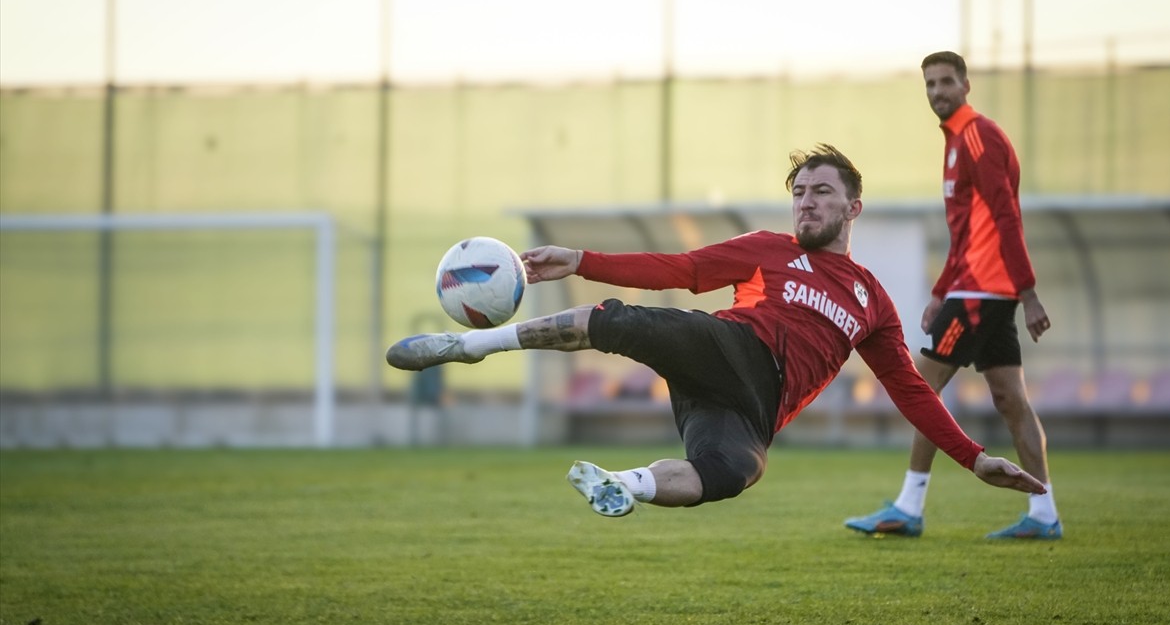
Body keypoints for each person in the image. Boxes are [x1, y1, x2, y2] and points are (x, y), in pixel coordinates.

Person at [387, 144, 1046, 517]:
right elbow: (683, 266)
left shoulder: (871, 297)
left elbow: (909, 390)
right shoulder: (768, 248)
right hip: (734, 344)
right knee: (619, 323)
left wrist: (973, 457)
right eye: (799, 193)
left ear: (853, 206)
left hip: (755, 406)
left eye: (820, 191)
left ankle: (626, 483)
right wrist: (583, 261)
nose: (806, 201)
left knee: (728, 474)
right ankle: (468, 346)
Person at [844, 51, 1062, 540]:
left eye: (946, 81)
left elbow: (1005, 215)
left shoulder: (979, 137)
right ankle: (1045, 514)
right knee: (1011, 400)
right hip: (974, 291)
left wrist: (1028, 292)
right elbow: (966, 231)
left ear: (966, 85)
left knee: (922, 391)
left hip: (984, 293)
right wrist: (941, 290)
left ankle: (908, 507)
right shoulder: (956, 142)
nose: (937, 91)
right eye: (929, 84)